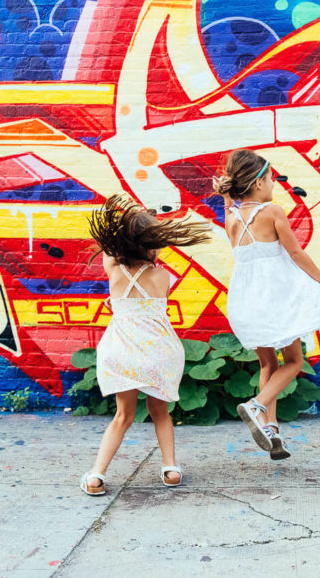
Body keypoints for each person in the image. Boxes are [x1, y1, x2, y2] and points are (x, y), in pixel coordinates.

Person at [213, 149, 320, 459]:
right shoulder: (273, 212)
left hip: (246, 299)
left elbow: (229, 203)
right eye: (271, 178)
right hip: (276, 297)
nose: (273, 184)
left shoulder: (231, 216)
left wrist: (224, 196)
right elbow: (296, 253)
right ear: (259, 183)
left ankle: (269, 428)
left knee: (267, 364)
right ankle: (256, 405)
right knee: (294, 362)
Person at [80, 194, 210, 495]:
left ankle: (96, 476)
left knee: (122, 417)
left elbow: (109, 252)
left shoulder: (114, 270)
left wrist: (125, 216)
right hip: (158, 352)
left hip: (121, 351)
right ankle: (171, 468)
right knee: (160, 413)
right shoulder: (161, 276)